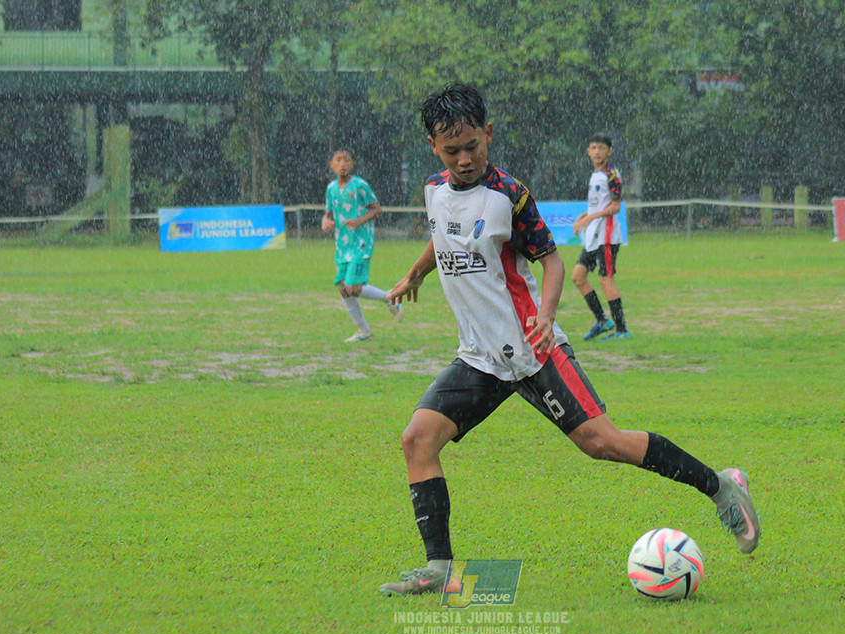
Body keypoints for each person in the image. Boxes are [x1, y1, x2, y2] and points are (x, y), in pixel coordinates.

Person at [379, 83, 760, 597]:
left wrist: (548, 314)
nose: (465, 159)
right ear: (433, 147)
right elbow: (443, 232)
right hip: (481, 359)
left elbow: (552, 259)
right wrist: (415, 273)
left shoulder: (509, 196)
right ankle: (440, 568)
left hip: (534, 350)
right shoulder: (432, 189)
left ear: (488, 135)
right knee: (417, 440)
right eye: (453, 151)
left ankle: (720, 486)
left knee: (604, 444)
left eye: (474, 146)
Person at [321, 148, 401, 343]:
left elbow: (377, 209)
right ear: (332, 165)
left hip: (361, 243)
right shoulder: (331, 189)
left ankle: (388, 297)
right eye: (338, 160)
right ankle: (364, 331)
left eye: (346, 160)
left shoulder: (360, 185)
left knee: (353, 287)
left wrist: (359, 220)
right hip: (342, 246)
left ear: (352, 165)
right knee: (343, 288)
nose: (342, 164)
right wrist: (325, 221)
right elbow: (328, 213)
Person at [572, 134, 629, 341]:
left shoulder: (611, 174)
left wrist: (591, 218)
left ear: (609, 151)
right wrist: (585, 216)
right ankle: (603, 321)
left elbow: (615, 206)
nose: (597, 152)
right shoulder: (595, 175)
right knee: (578, 276)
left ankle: (622, 330)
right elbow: (599, 205)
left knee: (606, 280)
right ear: (588, 151)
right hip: (593, 236)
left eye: (601, 148)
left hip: (607, 237)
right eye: (593, 148)